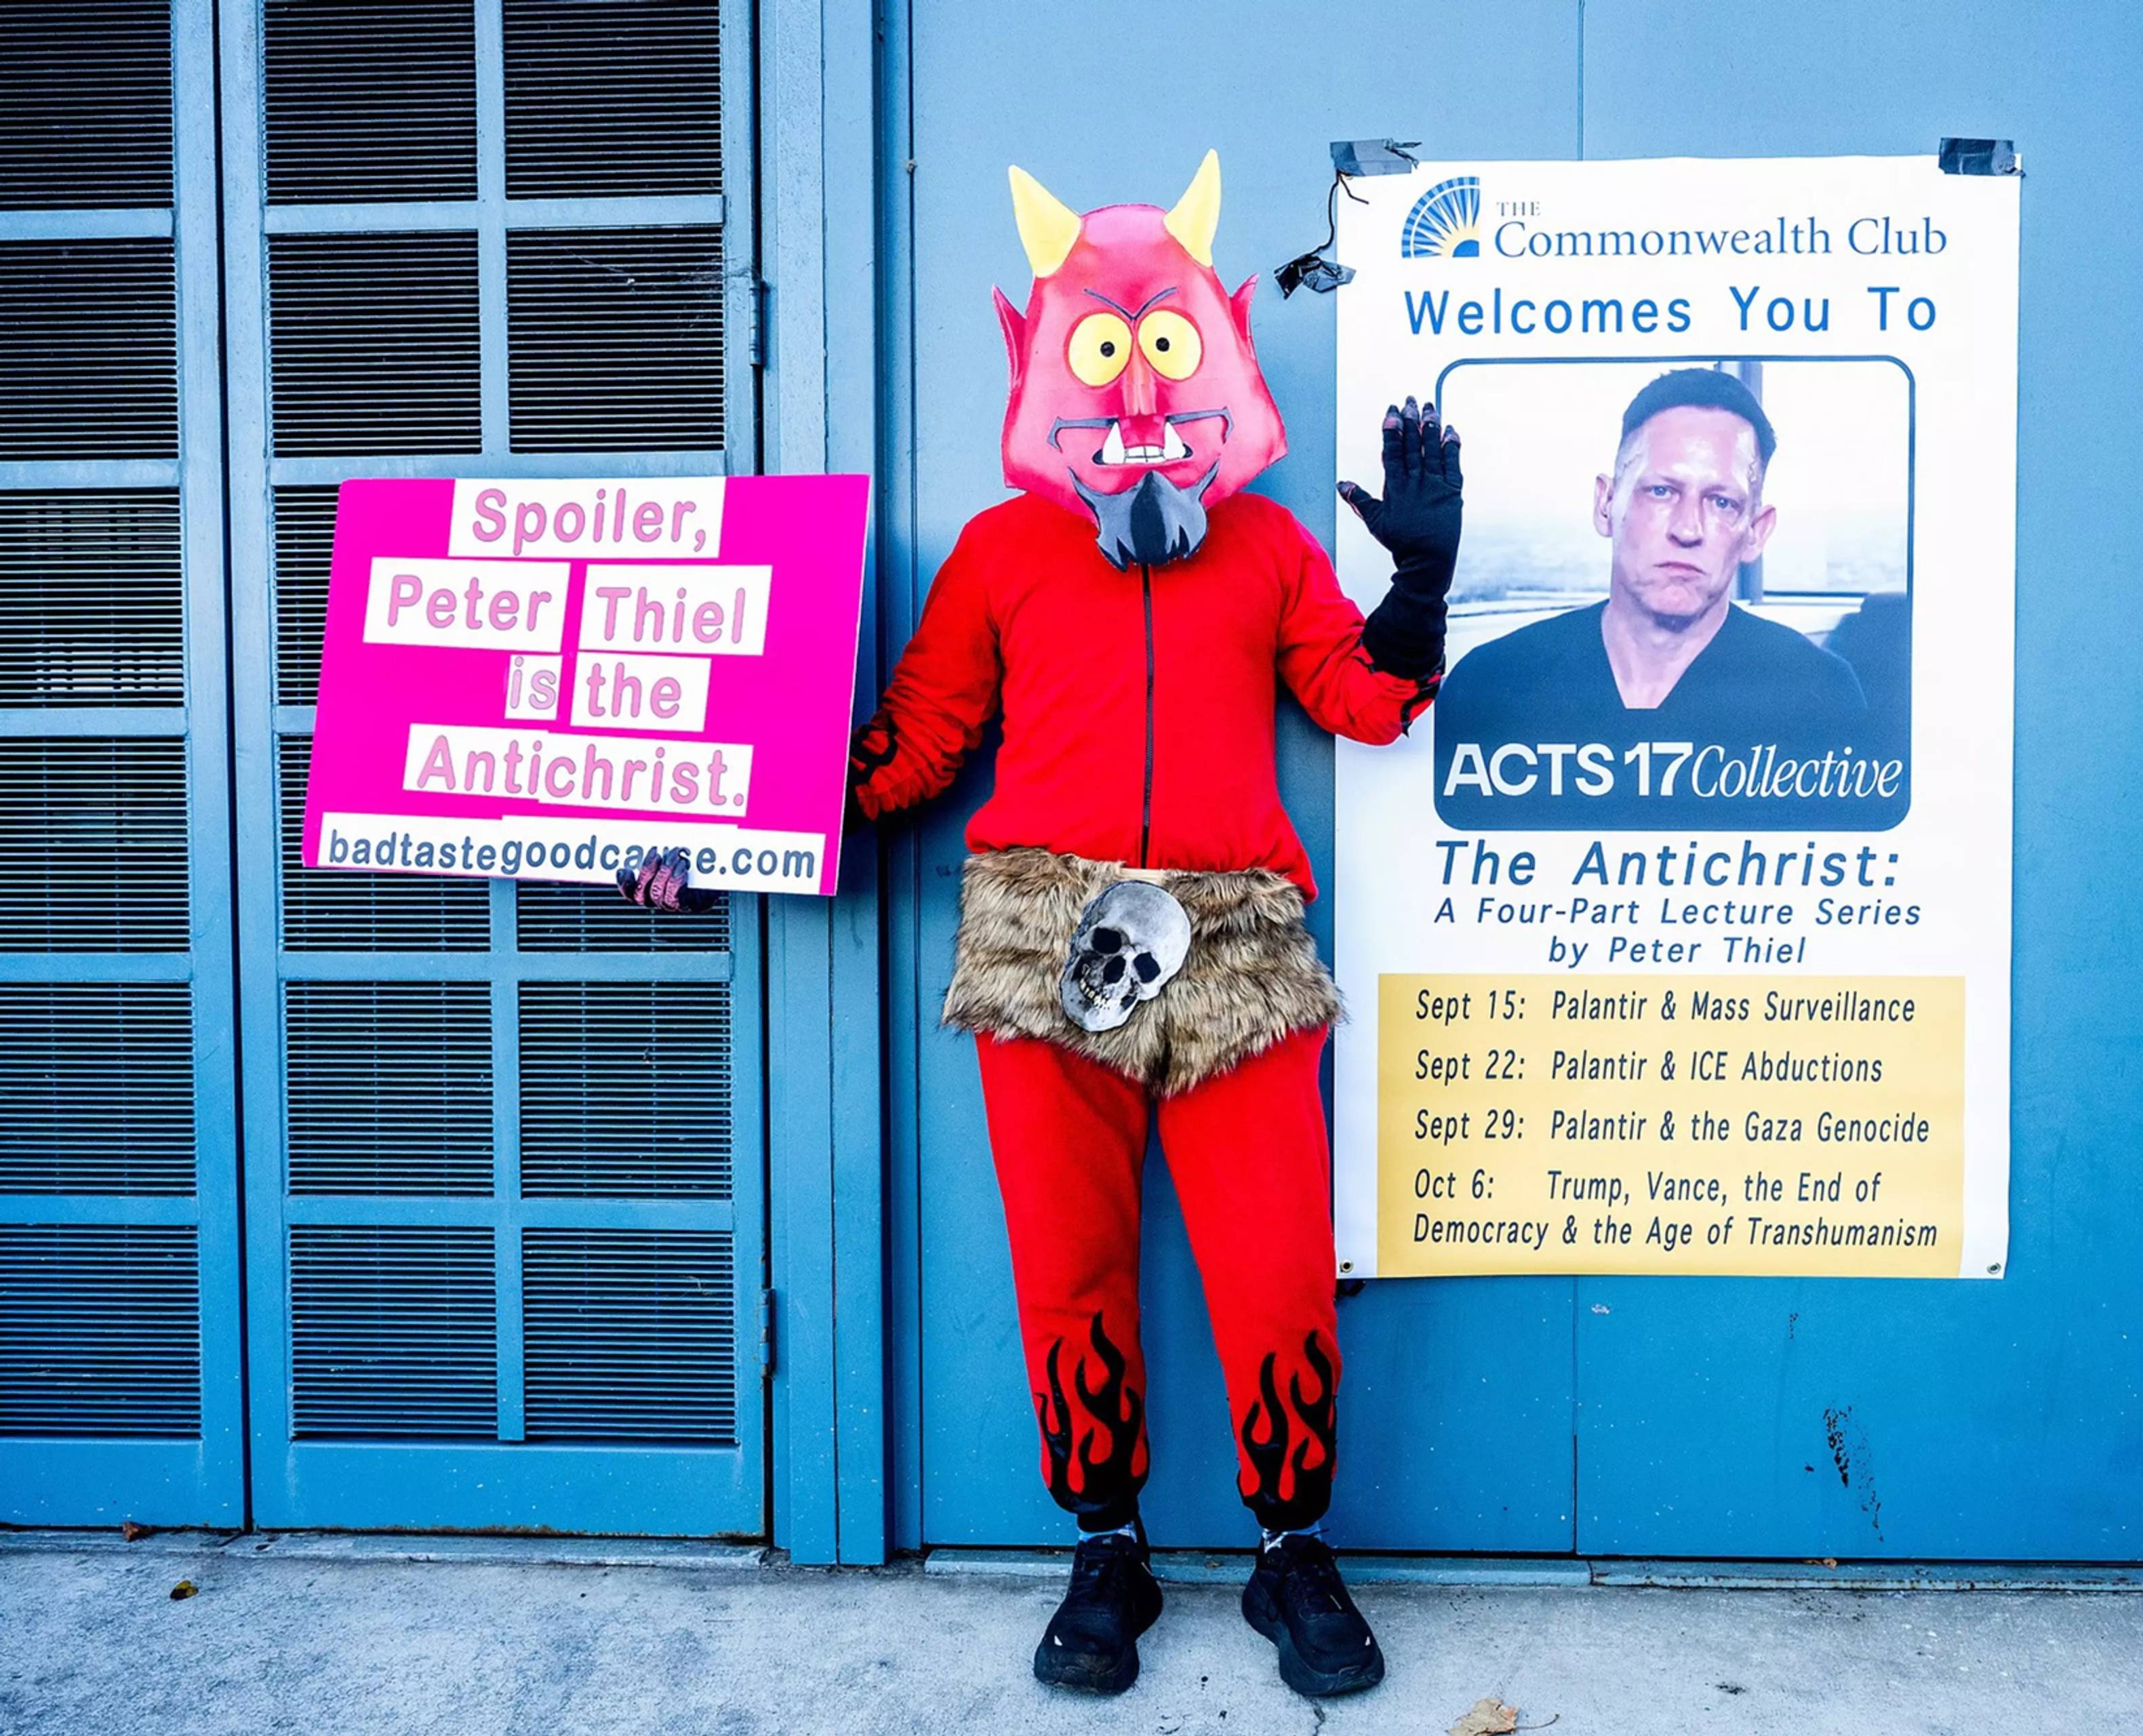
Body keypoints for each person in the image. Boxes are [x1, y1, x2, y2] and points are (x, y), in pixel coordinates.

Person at [622, 154, 1458, 1701]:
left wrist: (1417, 585)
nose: (1137, 382)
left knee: (1273, 1260)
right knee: (1067, 1259)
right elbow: (915, 741)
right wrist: (716, 823)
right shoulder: (999, 553)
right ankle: (1107, 1544)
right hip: (1046, 940)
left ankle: (1290, 1548)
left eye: (1164, 344)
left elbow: (1366, 700)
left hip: (1236, 943)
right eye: (1106, 345)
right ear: (1053, 354)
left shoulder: (1270, 551)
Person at [1433, 367, 1868, 798]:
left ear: (1755, 531)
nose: (1688, 528)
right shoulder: (1491, 685)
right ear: (1606, 504)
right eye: (1661, 492)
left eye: (1721, 502)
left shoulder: (1820, 696)